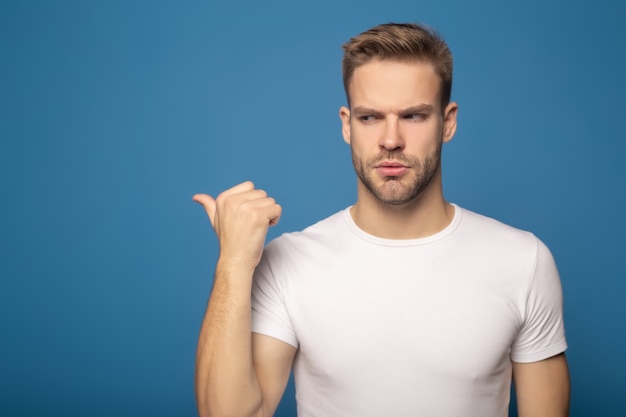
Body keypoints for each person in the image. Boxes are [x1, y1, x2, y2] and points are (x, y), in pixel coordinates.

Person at [193, 22, 570, 417]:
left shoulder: (523, 261)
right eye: (370, 118)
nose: (391, 140)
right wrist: (233, 264)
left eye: (414, 116)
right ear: (346, 124)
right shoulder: (290, 262)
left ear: (449, 121)